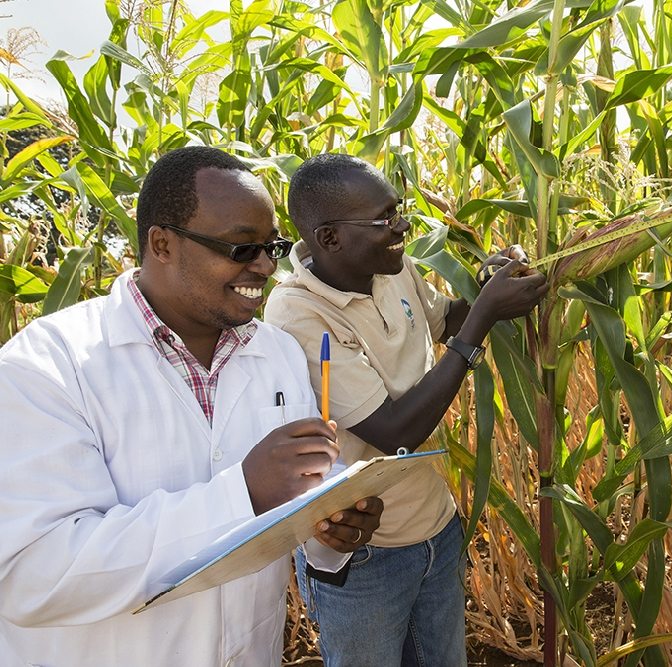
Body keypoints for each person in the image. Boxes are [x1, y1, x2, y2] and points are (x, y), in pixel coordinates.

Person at [0, 146, 384, 667]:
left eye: (272, 246)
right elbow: (33, 576)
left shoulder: (278, 354)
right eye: (241, 249)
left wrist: (329, 532)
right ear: (162, 243)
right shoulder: (45, 367)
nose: (266, 266)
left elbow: (298, 495)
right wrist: (244, 492)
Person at [264, 153, 548, 666]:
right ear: (329, 238)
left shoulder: (391, 267)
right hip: (363, 554)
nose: (402, 226)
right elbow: (396, 432)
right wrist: (483, 319)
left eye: (399, 211)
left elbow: (444, 322)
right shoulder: (297, 313)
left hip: (435, 528)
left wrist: (488, 288)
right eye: (384, 220)